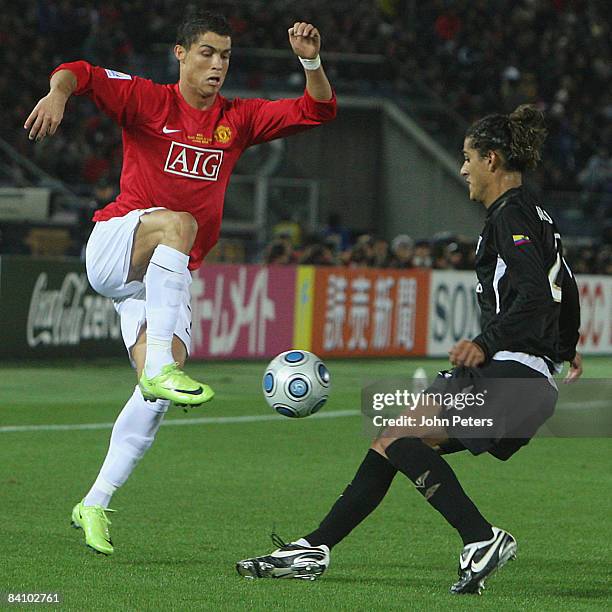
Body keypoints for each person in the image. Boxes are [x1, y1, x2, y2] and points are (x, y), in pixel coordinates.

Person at [24, 11, 336, 556]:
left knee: (154, 394)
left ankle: (94, 501)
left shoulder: (237, 119)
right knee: (179, 224)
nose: (218, 65)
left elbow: (319, 109)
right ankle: (164, 365)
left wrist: (310, 60)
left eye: (226, 56)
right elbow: (79, 70)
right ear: (181, 55)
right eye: (208, 53)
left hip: (161, 279)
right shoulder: (148, 100)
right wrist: (58, 94)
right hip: (119, 247)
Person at [236, 105, 583, 594]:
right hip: (528, 383)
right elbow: (564, 284)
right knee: (393, 438)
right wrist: (565, 349)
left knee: (399, 437)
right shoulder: (538, 215)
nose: (462, 168)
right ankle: (314, 548)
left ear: (492, 159)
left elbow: (536, 293)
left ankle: (480, 538)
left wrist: (485, 343)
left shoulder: (511, 217)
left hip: (510, 376)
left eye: (467, 158)